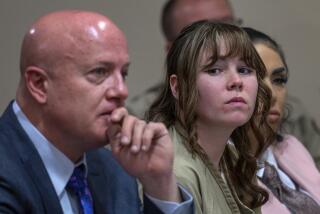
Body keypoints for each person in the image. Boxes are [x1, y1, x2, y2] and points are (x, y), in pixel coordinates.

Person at [0, 10, 194, 214]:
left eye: (124, 73)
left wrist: (159, 183)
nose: (121, 91)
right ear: (39, 85)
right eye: (99, 72)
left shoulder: (115, 169)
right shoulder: (7, 170)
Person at [127, 0, 320, 171]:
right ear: (173, 52)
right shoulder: (141, 118)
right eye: (200, 32)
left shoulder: (292, 117)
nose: (221, 38)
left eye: (228, 25)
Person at [147, 21, 274, 213]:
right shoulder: (175, 172)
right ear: (178, 87)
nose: (236, 81)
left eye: (244, 70)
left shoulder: (234, 157)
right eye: (215, 70)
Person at [244, 27, 320, 213]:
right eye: (255, 78)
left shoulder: (291, 146)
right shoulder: (218, 168)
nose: (271, 94)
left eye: (279, 80)